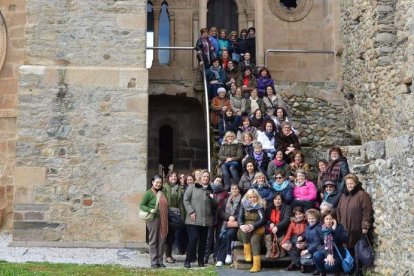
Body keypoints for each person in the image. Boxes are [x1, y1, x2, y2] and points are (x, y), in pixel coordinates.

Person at [183, 170, 217, 268]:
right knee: (193, 239)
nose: (206, 178)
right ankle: (187, 260)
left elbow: (215, 205)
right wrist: (191, 212)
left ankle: (201, 261)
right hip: (193, 219)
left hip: (206, 220)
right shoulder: (192, 187)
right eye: (204, 176)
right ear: (200, 177)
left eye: (207, 177)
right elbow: (186, 199)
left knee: (203, 241)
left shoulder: (210, 190)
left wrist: (212, 197)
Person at [337, 174, 373, 259]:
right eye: (348, 183)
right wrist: (339, 224)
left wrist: (365, 226)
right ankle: (351, 269)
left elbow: (367, 211)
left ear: (356, 183)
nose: (349, 185)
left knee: (359, 249)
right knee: (348, 248)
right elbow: (338, 210)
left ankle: (358, 270)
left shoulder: (362, 194)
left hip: (357, 229)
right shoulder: (343, 196)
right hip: (345, 228)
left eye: (351, 183)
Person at [140, 175, 169, 268]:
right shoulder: (149, 193)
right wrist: (149, 209)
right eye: (157, 182)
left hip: (163, 220)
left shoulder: (162, 192)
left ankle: (160, 261)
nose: (158, 184)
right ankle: (153, 261)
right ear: (152, 182)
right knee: (153, 241)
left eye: (160, 183)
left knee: (162, 240)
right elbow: (142, 205)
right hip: (153, 219)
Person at [237, 189, 266, 272]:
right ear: (247, 197)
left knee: (254, 239)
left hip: (256, 229)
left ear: (257, 197)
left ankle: (256, 265)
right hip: (243, 231)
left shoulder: (260, 206)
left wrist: (253, 226)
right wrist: (241, 225)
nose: (252, 199)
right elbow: (239, 217)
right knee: (245, 230)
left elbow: (262, 219)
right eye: (250, 197)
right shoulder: (243, 205)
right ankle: (247, 252)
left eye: (254, 197)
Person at [313, 210, 349, 276]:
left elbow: (345, 240)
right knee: (316, 255)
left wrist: (334, 231)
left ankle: (337, 271)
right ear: (323, 219)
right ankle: (322, 272)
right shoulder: (318, 228)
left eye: (331, 219)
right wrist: (327, 254)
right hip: (325, 251)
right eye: (327, 219)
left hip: (337, 252)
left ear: (334, 220)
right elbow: (317, 244)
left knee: (329, 266)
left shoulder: (339, 227)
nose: (328, 221)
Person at [215, 184, 242, 267]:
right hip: (226, 223)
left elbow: (242, 212)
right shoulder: (226, 200)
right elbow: (220, 212)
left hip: (236, 224)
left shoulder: (242, 201)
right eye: (232, 189)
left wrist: (234, 217)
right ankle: (220, 260)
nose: (234, 190)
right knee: (223, 236)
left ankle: (228, 254)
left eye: (236, 188)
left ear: (238, 190)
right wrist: (228, 217)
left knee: (229, 234)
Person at [205, 176, 229, 264]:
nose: (218, 182)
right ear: (213, 181)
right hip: (210, 216)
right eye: (217, 180)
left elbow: (225, 205)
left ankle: (216, 256)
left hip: (220, 216)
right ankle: (206, 256)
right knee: (209, 237)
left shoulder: (225, 193)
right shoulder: (209, 190)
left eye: (220, 181)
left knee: (218, 237)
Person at [265, 193, 292, 259]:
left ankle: (281, 250)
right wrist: (270, 223)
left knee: (278, 231)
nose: (277, 201)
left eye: (279, 199)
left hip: (282, 228)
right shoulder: (269, 207)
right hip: (271, 227)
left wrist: (277, 227)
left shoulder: (287, 207)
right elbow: (265, 219)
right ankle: (269, 249)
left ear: (282, 200)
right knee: (266, 229)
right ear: (273, 200)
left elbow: (286, 220)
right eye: (275, 199)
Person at [281, 206, 307, 271]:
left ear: (303, 214)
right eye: (296, 214)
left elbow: (308, 234)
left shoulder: (307, 222)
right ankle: (301, 264)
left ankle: (294, 263)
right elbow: (288, 234)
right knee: (289, 245)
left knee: (298, 242)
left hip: (304, 239)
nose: (298, 216)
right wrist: (283, 243)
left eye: (300, 214)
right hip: (295, 239)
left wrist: (304, 241)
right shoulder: (293, 223)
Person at [163, 171, 178, 263]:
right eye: (171, 176)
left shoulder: (179, 188)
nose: (173, 178)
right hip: (167, 214)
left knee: (172, 236)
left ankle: (169, 254)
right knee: (168, 236)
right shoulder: (164, 188)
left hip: (177, 214)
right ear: (168, 178)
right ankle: (166, 255)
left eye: (175, 176)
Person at [172, 173, 188, 255]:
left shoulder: (187, 187)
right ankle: (178, 248)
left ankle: (184, 248)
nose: (182, 178)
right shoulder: (176, 188)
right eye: (180, 177)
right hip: (178, 211)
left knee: (186, 231)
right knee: (178, 231)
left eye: (183, 177)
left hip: (187, 212)